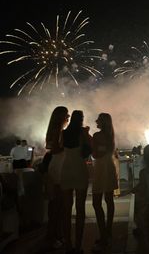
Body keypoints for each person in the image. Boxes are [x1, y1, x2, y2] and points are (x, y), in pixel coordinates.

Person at [61, 110, 92, 254]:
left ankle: (67, 244)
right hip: (79, 169)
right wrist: (87, 135)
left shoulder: (64, 133)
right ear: (81, 119)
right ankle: (78, 245)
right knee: (80, 209)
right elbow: (87, 152)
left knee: (66, 210)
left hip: (66, 170)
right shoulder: (82, 133)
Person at [91, 113, 118, 252]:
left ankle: (103, 234)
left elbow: (95, 154)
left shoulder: (97, 136)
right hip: (109, 166)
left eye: (98, 120)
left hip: (101, 167)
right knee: (109, 200)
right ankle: (108, 230)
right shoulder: (111, 136)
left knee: (96, 202)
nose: (96, 121)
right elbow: (104, 151)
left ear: (102, 122)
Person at [44, 106, 69, 250]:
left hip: (56, 165)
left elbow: (50, 147)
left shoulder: (53, 130)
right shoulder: (59, 131)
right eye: (67, 115)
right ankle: (55, 235)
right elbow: (56, 149)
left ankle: (54, 234)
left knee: (56, 203)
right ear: (61, 117)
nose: (68, 118)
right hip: (58, 166)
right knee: (58, 203)